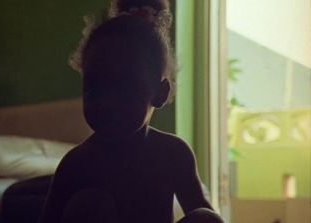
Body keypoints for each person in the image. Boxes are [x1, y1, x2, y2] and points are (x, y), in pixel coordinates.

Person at [39, 0, 224, 222]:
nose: (105, 104)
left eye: (124, 89)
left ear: (160, 93)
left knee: (206, 217)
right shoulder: (76, 164)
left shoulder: (174, 154)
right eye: (93, 89)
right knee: (90, 205)